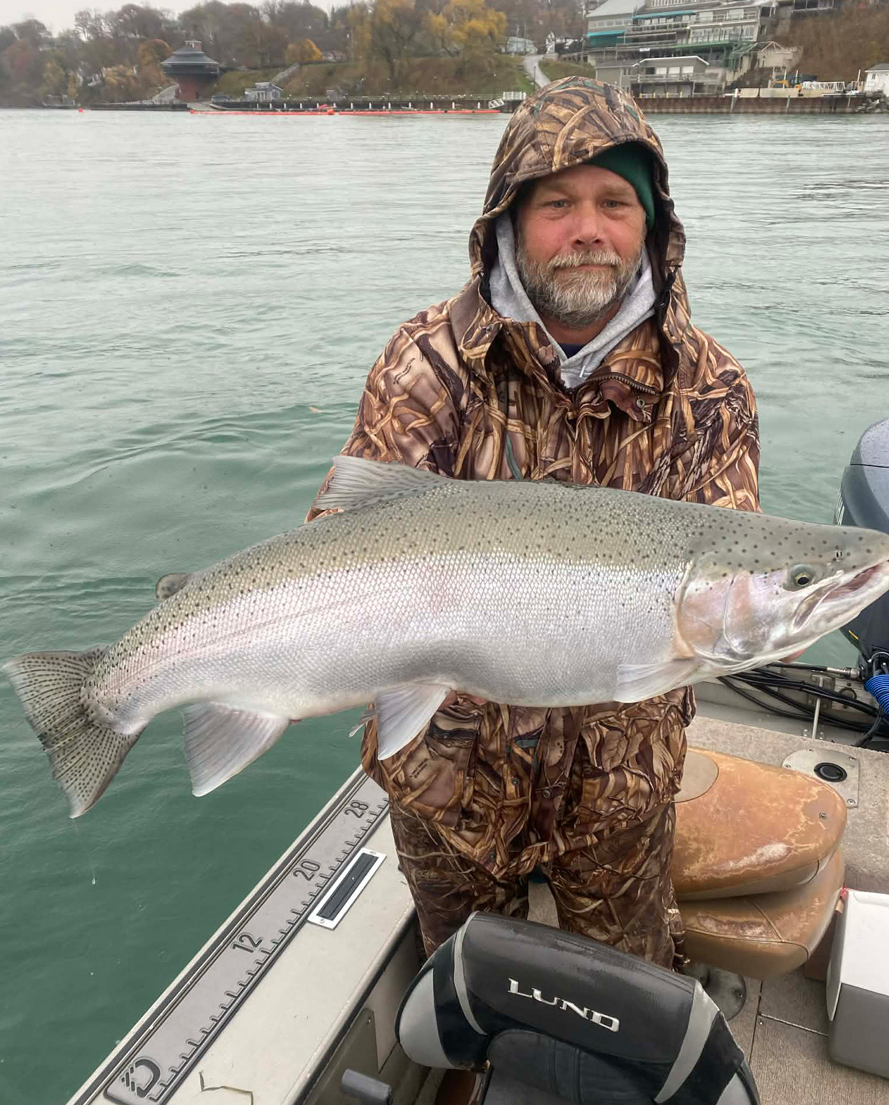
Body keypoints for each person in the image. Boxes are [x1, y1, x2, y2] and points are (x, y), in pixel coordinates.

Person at [308, 77, 759, 972]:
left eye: (614, 202)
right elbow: (341, 534)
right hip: (449, 782)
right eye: (558, 203)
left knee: (627, 985)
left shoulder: (710, 386)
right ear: (509, 220)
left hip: (621, 785)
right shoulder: (428, 358)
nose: (588, 228)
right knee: (469, 981)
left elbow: (730, 573)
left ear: (651, 226)